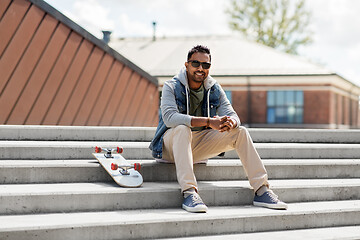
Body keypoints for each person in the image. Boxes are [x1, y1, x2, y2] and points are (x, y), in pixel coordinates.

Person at [149, 45, 287, 213]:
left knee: (240, 132)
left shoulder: (214, 89)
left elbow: (233, 115)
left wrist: (230, 122)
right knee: (182, 129)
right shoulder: (171, 86)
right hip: (169, 147)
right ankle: (189, 192)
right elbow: (170, 118)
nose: (201, 68)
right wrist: (208, 122)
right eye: (196, 63)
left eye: (205, 65)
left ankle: (262, 190)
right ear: (186, 65)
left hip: (196, 147)